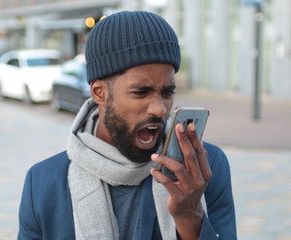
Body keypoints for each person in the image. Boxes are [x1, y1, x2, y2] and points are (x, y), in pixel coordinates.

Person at [18, 11, 237, 240]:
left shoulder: (203, 168)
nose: (160, 109)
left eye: (167, 92)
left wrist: (190, 218)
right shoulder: (43, 183)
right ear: (99, 93)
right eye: (141, 92)